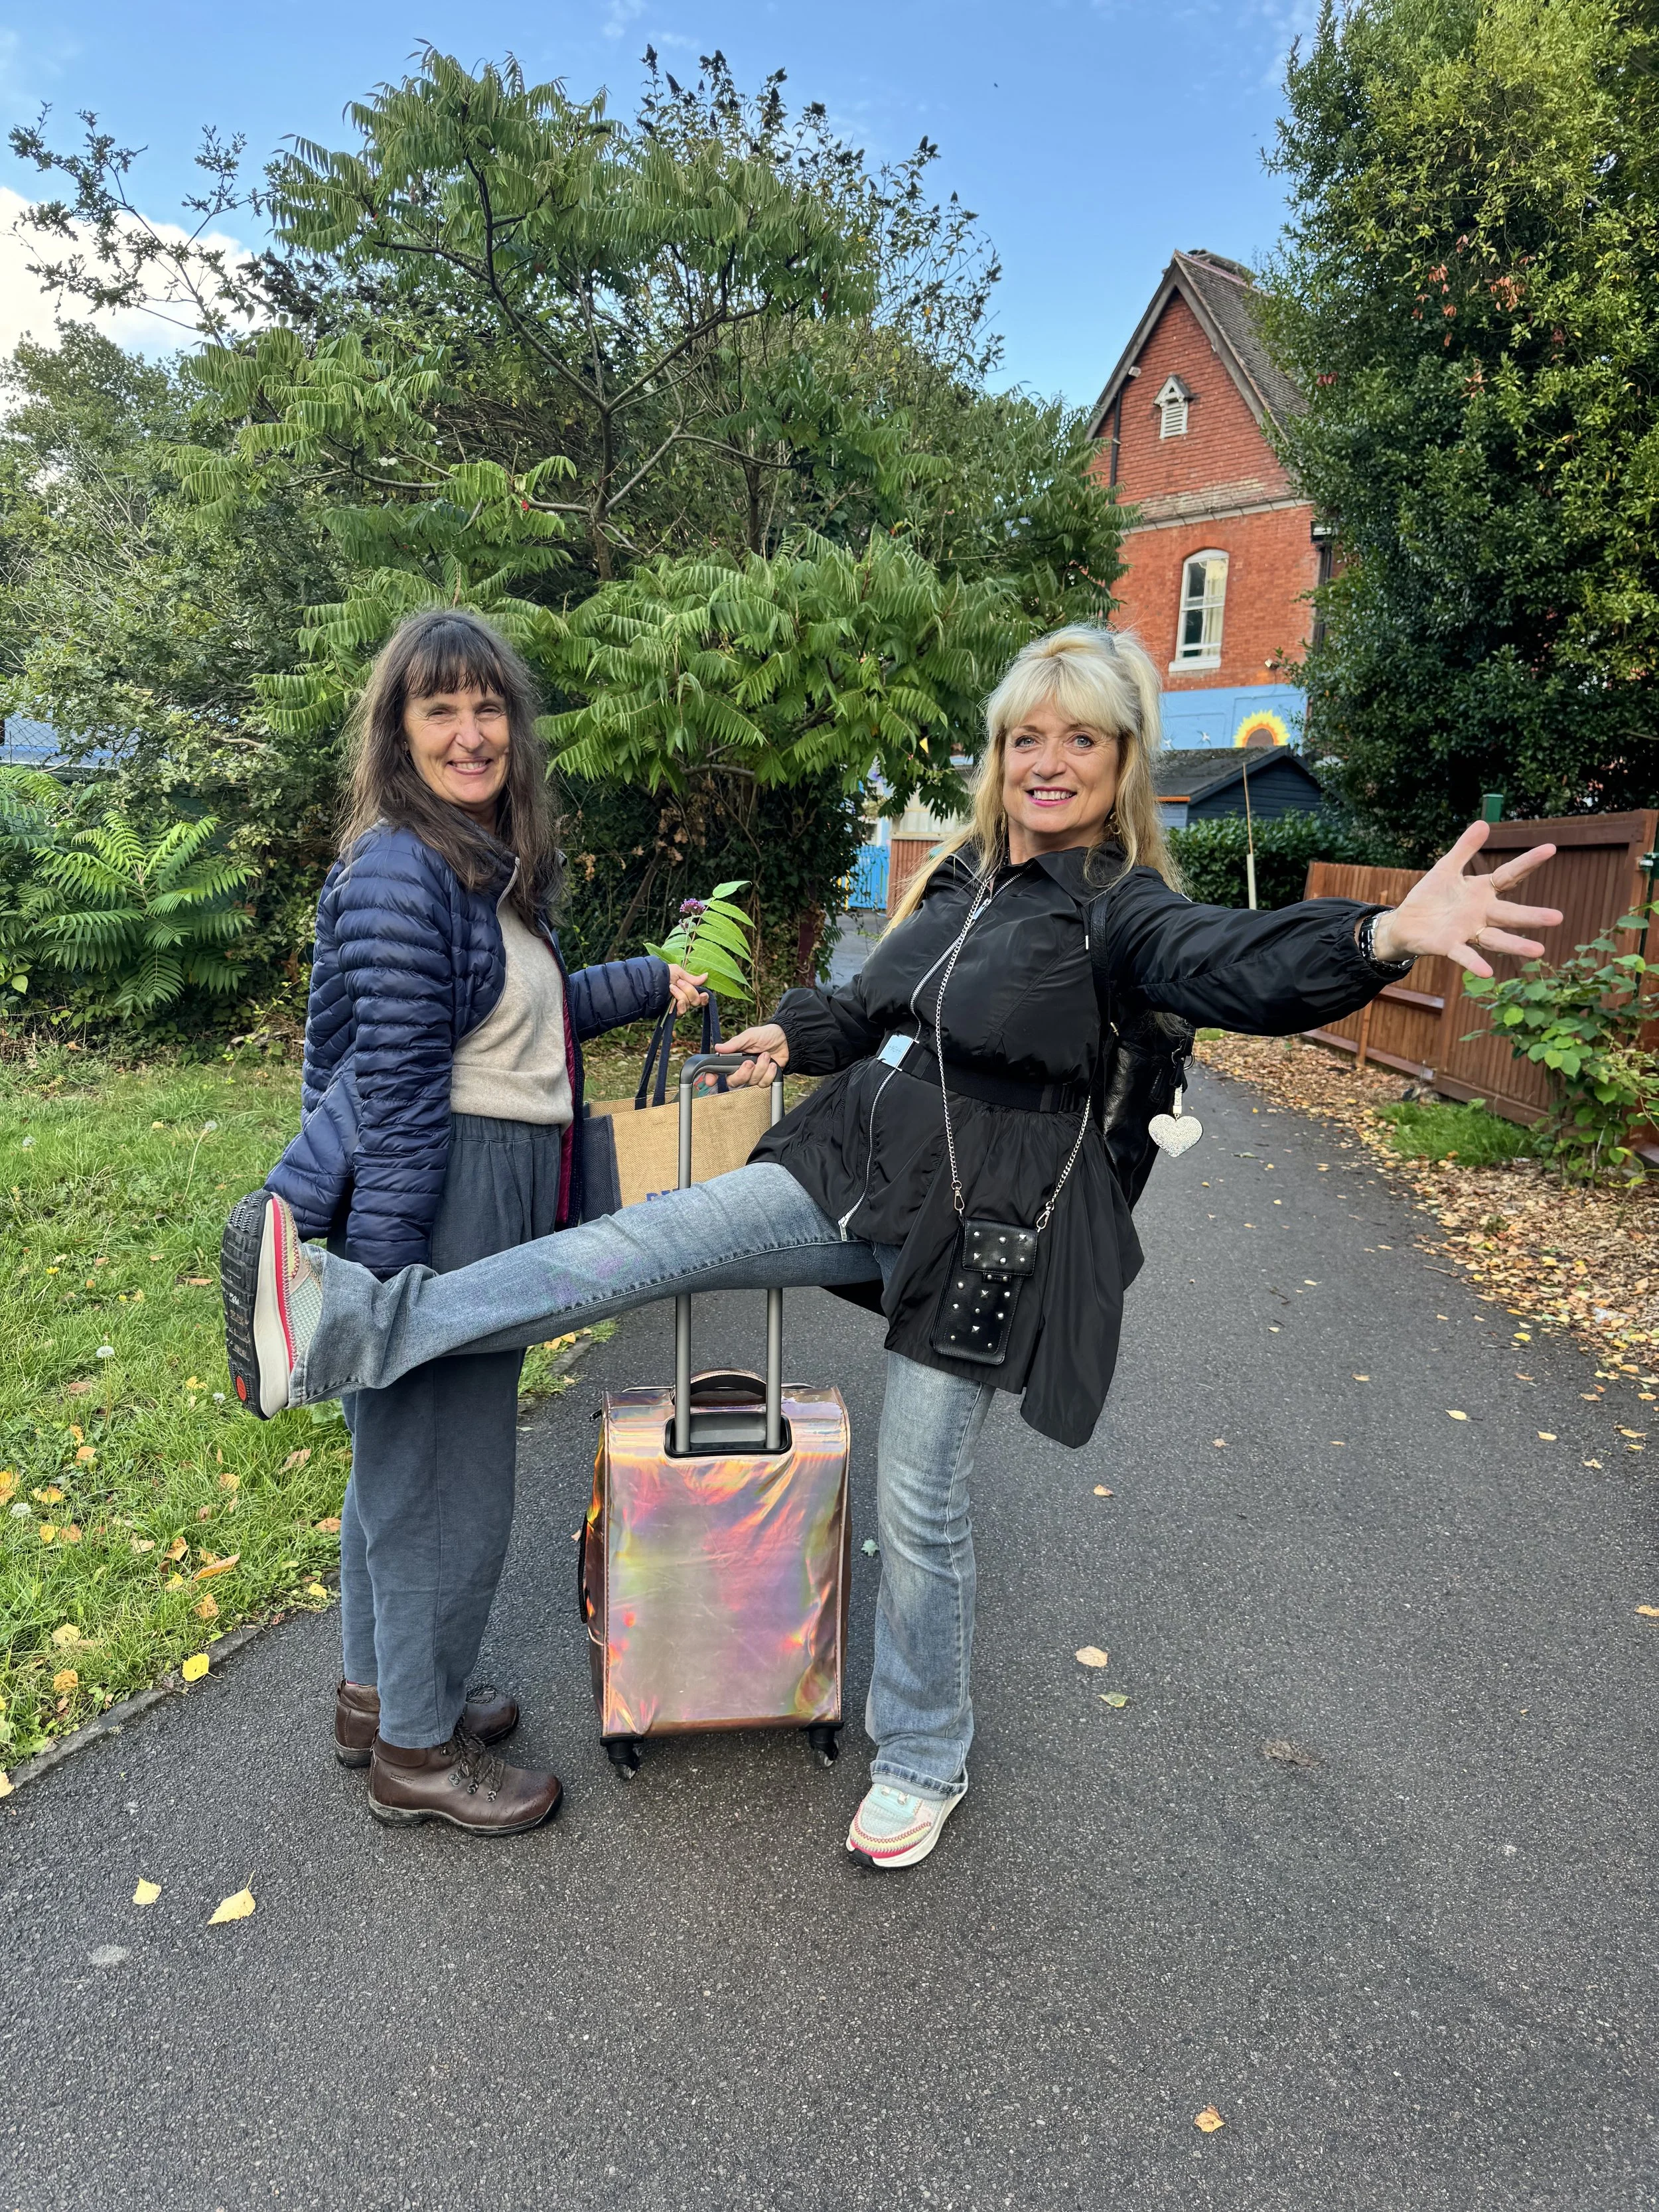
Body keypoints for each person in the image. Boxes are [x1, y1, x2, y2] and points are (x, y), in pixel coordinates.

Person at [224, 625, 1561, 1867]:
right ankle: (347, 1320)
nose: (1046, 763)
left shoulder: (1120, 906)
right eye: (1024, 739)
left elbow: (1230, 962)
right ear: (1000, 757)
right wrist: (786, 1036)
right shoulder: (971, 877)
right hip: (856, 1164)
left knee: (919, 1500)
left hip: (987, 1238)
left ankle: (923, 1753)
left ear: (1119, 762)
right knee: (629, 1250)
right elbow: (873, 999)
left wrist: (1379, 935)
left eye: (1078, 741)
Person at [247, 607, 707, 1836]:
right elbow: (397, 1098)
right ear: (399, 732)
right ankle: (416, 1751)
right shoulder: (406, 863)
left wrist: (648, 980)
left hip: (479, 1183)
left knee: (402, 1465)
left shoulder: (475, 863)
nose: (470, 731)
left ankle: (378, 1695)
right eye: (438, 708)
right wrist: (388, 1294)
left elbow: (517, 1030)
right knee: (444, 1477)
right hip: (440, 1195)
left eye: (488, 706)